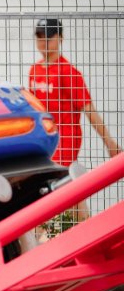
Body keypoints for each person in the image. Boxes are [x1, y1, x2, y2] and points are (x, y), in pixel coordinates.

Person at [28, 18, 121, 222]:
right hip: (45, 140)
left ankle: (83, 229)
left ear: (59, 39)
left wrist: (110, 144)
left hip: (66, 138)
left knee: (63, 187)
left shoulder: (69, 73)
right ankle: (73, 229)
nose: (43, 43)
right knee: (60, 187)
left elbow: (89, 110)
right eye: (39, 38)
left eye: (48, 38)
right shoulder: (34, 71)